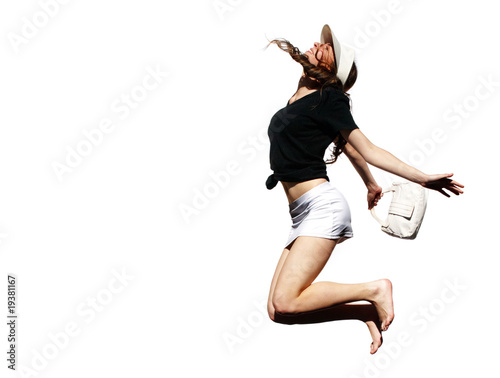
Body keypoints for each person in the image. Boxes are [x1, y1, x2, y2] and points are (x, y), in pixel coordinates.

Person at [264, 24, 464, 354]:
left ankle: (374, 289)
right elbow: (350, 149)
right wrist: (370, 184)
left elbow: (367, 147)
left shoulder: (330, 98)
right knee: (278, 312)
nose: (317, 44)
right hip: (299, 213)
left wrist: (422, 178)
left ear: (330, 69)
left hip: (321, 206)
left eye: (326, 47)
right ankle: (364, 311)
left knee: (286, 300)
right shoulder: (298, 100)